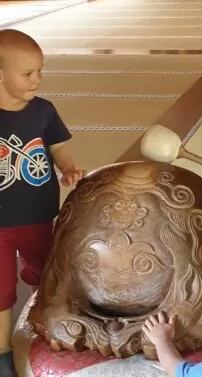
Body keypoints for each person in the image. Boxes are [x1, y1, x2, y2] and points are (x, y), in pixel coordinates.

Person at [0, 29, 85, 377]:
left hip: (37, 218)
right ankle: (3, 351)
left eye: (40, 71)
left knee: (46, 278)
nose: (37, 80)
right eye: (28, 73)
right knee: (1, 292)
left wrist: (67, 168)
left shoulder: (44, 111)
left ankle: (48, 328)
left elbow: (58, 148)